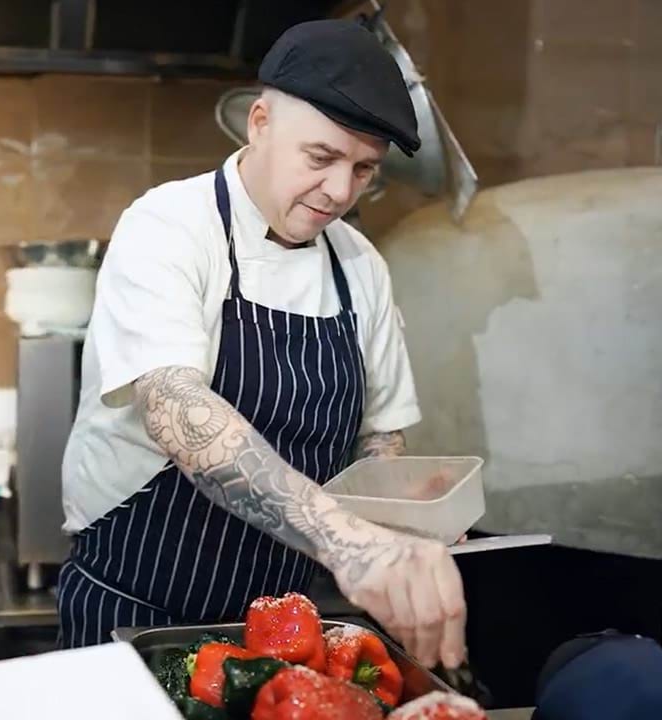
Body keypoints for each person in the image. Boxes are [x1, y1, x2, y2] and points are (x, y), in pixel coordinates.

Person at [57, 18, 467, 671]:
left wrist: (404, 522)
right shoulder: (169, 226)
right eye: (322, 158)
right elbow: (176, 410)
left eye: (364, 168)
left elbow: (379, 437)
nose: (340, 191)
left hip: (281, 628)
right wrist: (347, 543)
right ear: (259, 123)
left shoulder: (359, 264)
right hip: (134, 615)